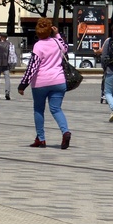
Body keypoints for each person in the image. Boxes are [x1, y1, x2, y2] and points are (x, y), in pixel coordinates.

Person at [18, 17, 70, 148]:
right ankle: (65, 132)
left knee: (39, 110)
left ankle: (41, 138)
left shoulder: (38, 46)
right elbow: (65, 48)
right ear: (50, 29)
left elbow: (32, 67)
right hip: (59, 81)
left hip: (41, 83)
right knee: (56, 109)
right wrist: (57, 34)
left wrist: (23, 84)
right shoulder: (57, 42)